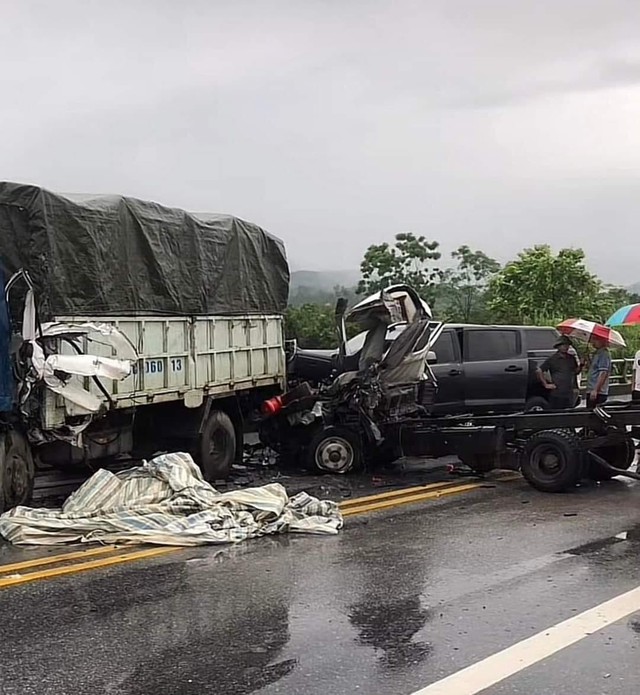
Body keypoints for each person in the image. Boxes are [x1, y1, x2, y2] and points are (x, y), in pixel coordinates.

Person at [537, 336, 580, 409]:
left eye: (567, 345)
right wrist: (546, 384)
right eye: (563, 345)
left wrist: (581, 365)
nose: (565, 347)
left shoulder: (571, 358)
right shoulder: (552, 359)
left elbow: (576, 372)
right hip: (556, 393)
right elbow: (539, 370)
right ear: (558, 346)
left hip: (569, 393)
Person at [586, 336, 612, 407]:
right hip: (591, 388)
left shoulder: (604, 354)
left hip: (598, 391)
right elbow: (593, 369)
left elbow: (603, 372)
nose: (593, 342)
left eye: (596, 340)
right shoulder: (596, 353)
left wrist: (596, 390)